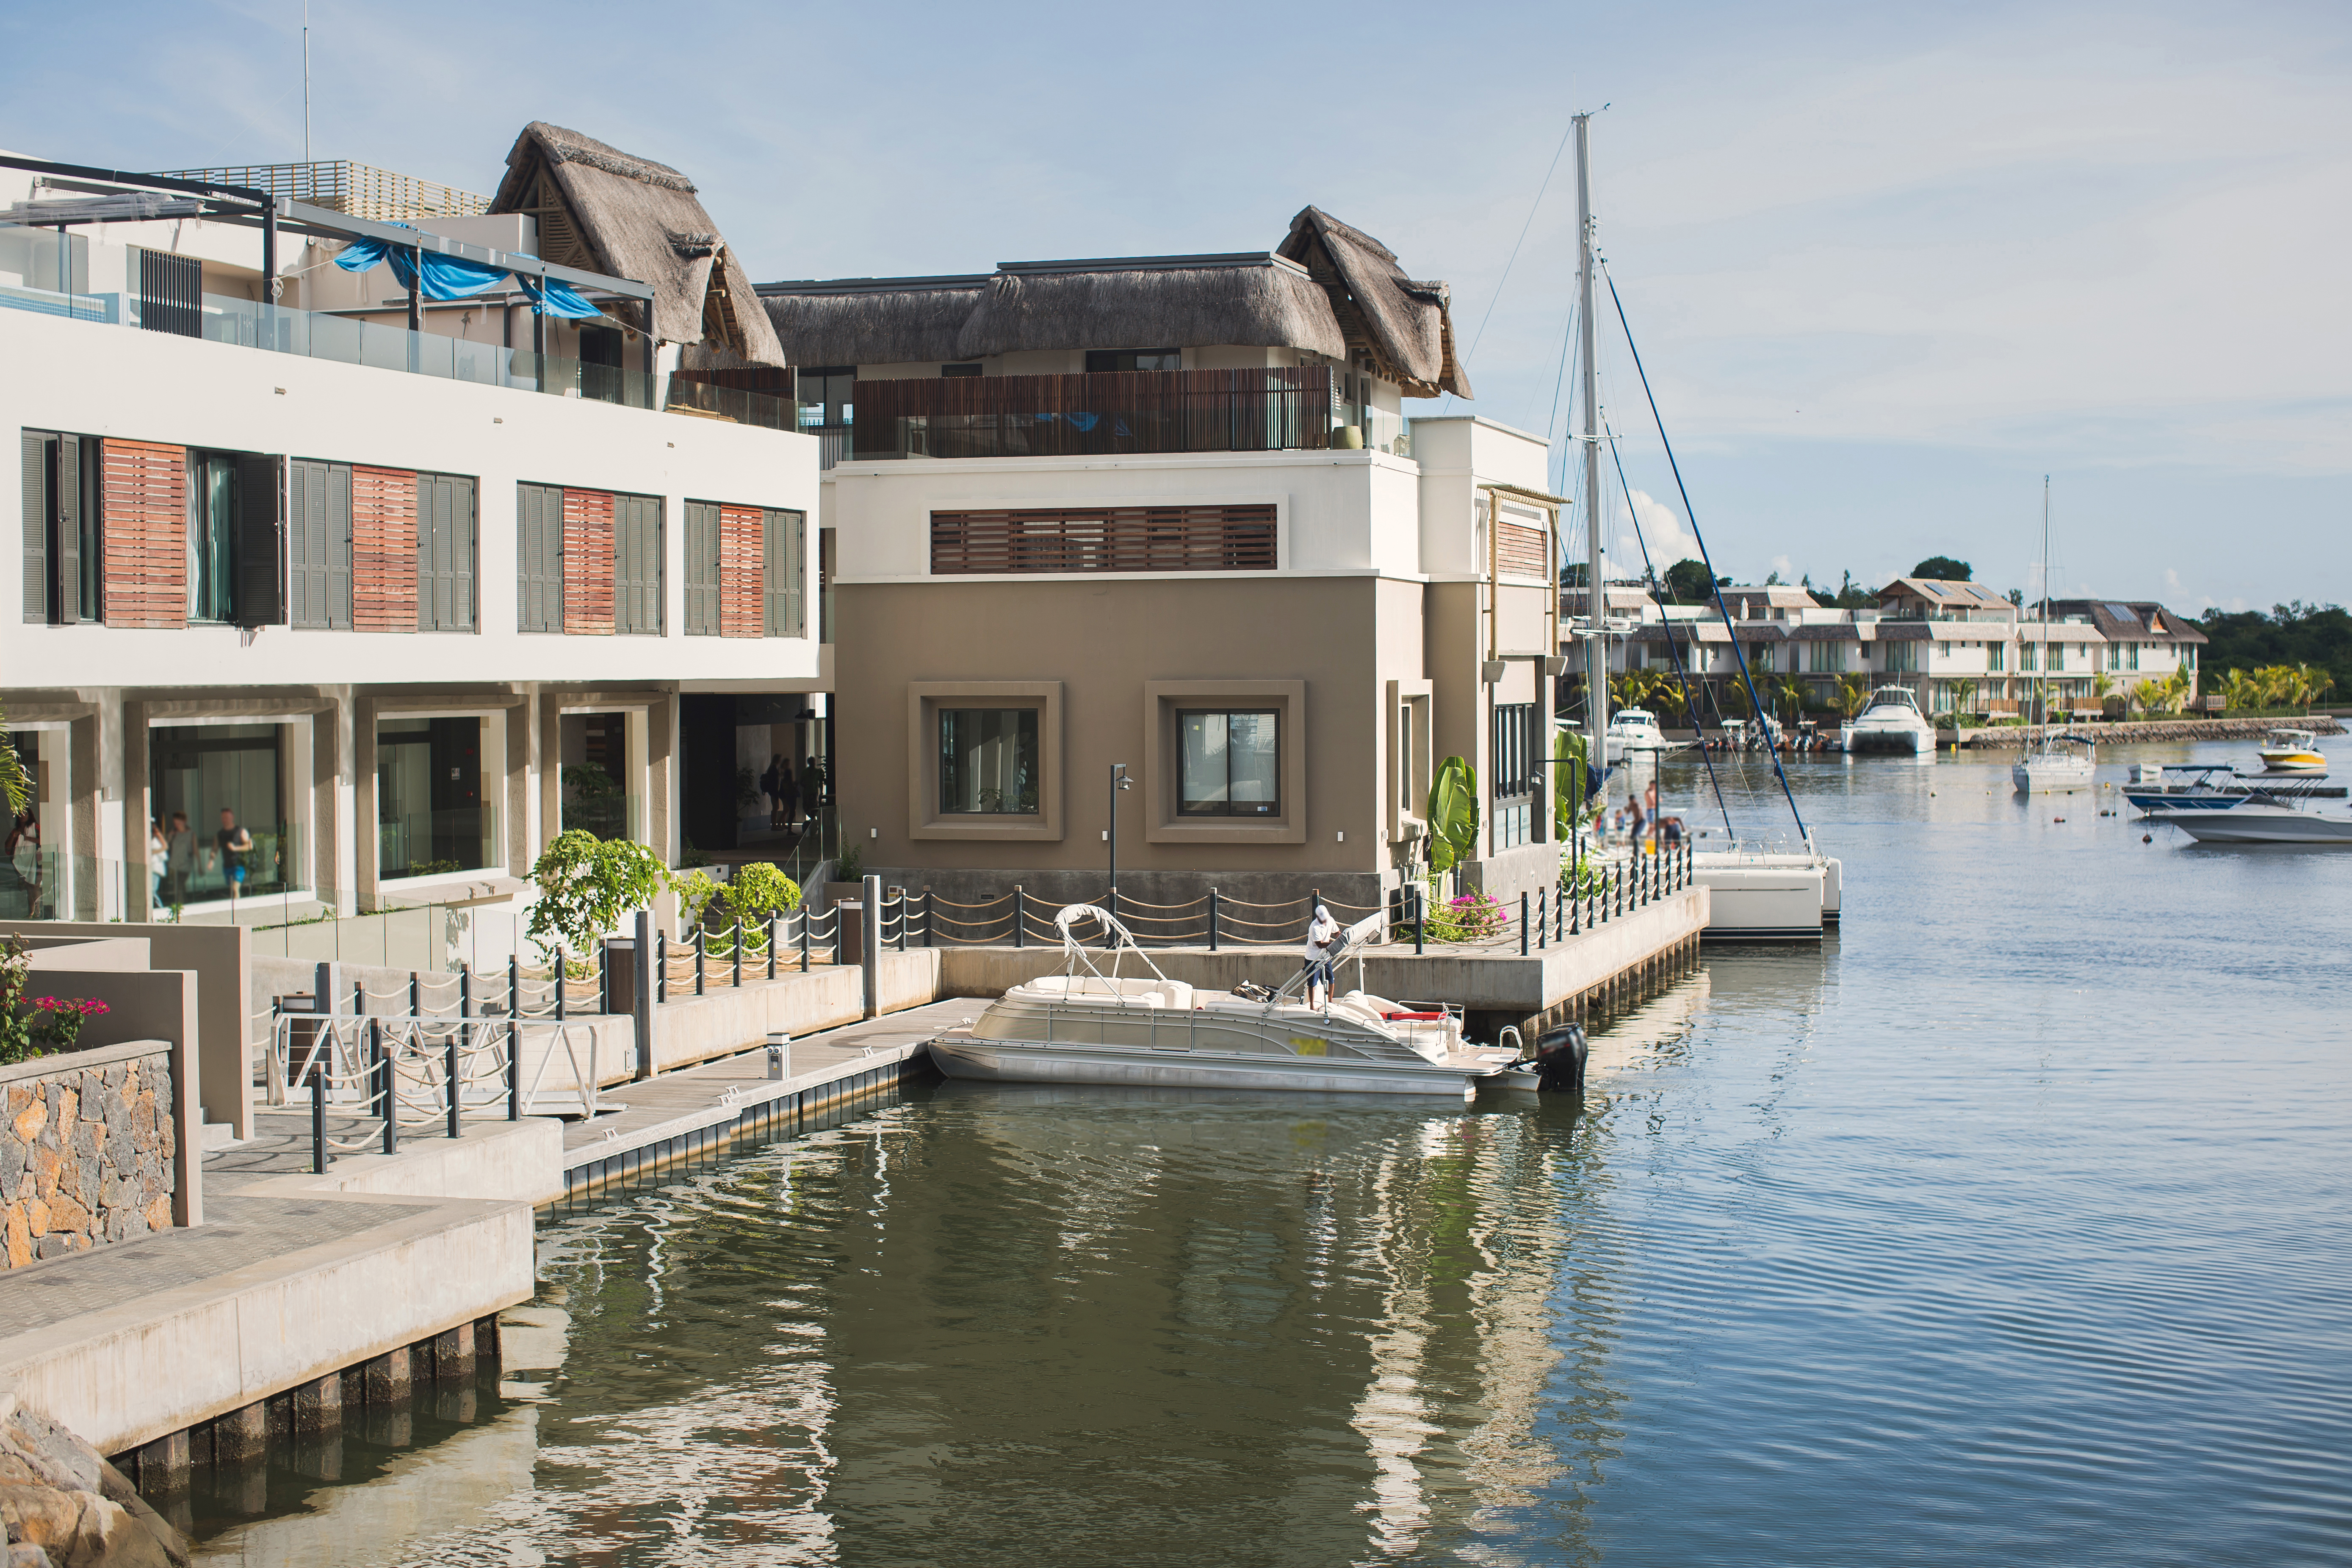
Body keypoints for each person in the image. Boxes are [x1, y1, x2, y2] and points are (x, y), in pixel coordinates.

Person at [1303, 902, 1342, 1010]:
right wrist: (1335, 944)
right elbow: (1320, 944)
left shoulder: (1330, 920)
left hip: (1325, 956)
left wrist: (1340, 937)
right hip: (1313, 958)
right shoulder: (1314, 927)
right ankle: (1312, 1006)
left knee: (1331, 979)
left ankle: (1330, 1002)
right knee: (1312, 983)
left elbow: (1337, 932)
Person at [215, 808, 253, 906]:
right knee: (232, 891)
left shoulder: (240, 831)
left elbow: (250, 846)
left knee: (235, 889)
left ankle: (237, 912)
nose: (225, 820)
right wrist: (211, 860)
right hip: (227, 866)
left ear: (233, 817)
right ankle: (233, 910)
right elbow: (215, 848)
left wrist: (235, 849)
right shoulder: (220, 834)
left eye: (227, 817)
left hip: (239, 865)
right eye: (223, 818)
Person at [166, 812, 194, 904]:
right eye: (175, 823)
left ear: (184, 822)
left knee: (179, 887)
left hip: (185, 865)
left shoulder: (190, 834)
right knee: (179, 887)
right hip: (174, 865)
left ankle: (181, 905)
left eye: (179, 823)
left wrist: (200, 866)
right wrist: (170, 837)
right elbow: (166, 846)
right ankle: (183, 904)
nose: (177, 825)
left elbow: (195, 850)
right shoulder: (174, 834)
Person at [149, 819, 171, 909]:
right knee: (151, 891)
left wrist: (153, 852)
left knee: (152, 891)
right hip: (150, 866)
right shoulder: (147, 836)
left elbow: (165, 846)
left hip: (157, 866)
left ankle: (161, 909)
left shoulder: (157, 834)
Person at [760, 755, 783, 828]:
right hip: (774, 790)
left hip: (773, 790)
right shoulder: (774, 768)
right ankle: (774, 825)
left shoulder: (772, 768)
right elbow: (775, 779)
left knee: (776, 807)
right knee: (776, 807)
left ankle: (774, 824)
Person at [777, 756, 798, 826]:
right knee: (787, 808)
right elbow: (790, 782)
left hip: (783, 792)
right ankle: (780, 823)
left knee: (786, 808)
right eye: (787, 764)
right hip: (785, 792)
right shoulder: (786, 772)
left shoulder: (782, 771)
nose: (788, 765)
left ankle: (783, 823)